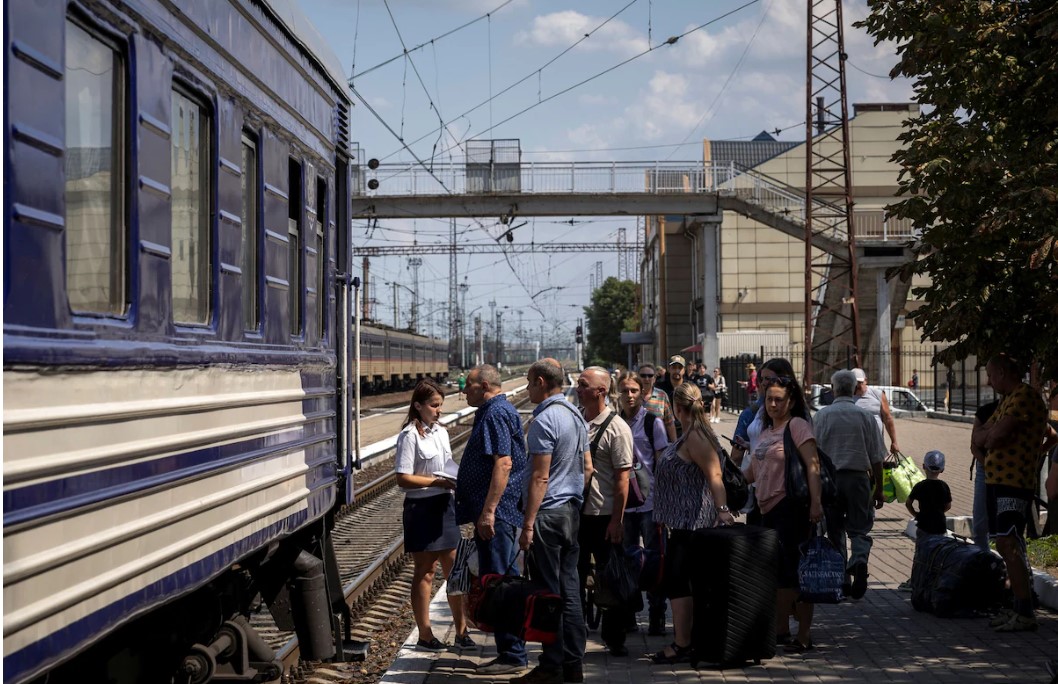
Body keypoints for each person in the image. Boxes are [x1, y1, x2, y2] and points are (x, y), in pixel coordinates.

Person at [648, 382, 736, 664]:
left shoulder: (696, 436)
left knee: (679, 582)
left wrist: (723, 510)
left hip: (694, 525)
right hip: (683, 524)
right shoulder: (690, 433)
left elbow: (715, 476)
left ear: (676, 407)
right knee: (680, 582)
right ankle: (688, 641)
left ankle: (684, 643)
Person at [516, 359, 590, 684]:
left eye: (530, 382)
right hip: (571, 512)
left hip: (547, 516)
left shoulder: (545, 421)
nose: (528, 388)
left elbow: (539, 478)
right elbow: (587, 467)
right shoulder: (576, 415)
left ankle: (551, 665)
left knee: (549, 594)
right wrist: (572, 498)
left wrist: (528, 524)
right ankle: (574, 665)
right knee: (570, 591)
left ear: (543, 382)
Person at [455, 365, 529, 674]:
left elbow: (504, 462)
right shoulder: (492, 410)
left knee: (500, 583)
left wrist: (489, 511)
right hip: (498, 514)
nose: (464, 391)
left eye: (468, 386)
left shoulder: (496, 413)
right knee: (496, 580)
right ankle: (509, 651)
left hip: (498, 516)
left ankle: (512, 655)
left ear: (484, 385)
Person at [746, 372, 823, 653]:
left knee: (796, 573)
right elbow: (752, 472)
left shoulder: (798, 426)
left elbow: (813, 466)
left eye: (779, 400)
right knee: (778, 573)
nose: (773, 405)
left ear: (791, 402)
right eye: (769, 400)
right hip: (767, 510)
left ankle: (803, 635)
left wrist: (816, 503)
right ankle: (779, 631)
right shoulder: (767, 432)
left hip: (792, 507)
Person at [971, 354, 1048, 632]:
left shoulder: (1024, 397)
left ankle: (1025, 612)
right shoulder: (1007, 399)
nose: (989, 381)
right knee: (1004, 543)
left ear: (1003, 372)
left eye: (991, 375)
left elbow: (994, 437)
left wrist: (990, 435)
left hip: (1014, 482)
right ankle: (1016, 606)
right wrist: (988, 434)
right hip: (997, 480)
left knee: (1009, 543)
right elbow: (979, 437)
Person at [394, 380, 471, 651]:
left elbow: (447, 465)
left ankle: (462, 631)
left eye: (441, 405)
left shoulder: (441, 431)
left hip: (445, 506)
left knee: (456, 571)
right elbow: (402, 478)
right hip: (421, 509)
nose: (439, 410)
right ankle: (425, 635)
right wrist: (435, 482)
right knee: (425, 573)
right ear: (418, 406)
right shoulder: (409, 436)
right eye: (434, 405)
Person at [575, 367, 635, 657]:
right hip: (577, 513)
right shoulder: (577, 418)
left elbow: (623, 479)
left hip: (604, 516)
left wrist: (617, 520)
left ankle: (615, 638)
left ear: (600, 391)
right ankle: (574, 634)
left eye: (583, 385)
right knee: (574, 574)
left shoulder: (617, 428)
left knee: (611, 578)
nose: (577, 388)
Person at [813, 369, 886, 600]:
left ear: (833, 389)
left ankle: (842, 580)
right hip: (858, 479)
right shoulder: (864, 416)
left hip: (830, 481)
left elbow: (812, 455)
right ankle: (860, 559)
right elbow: (877, 457)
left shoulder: (822, 416)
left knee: (835, 530)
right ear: (855, 388)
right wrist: (880, 489)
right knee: (860, 527)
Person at [616, 371, 670, 636]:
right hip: (624, 505)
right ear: (618, 392)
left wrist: (662, 502)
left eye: (634, 390)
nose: (629, 395)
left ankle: (657, 614)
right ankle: (627, 615)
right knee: (626, 561)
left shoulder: (653, 422)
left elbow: (662, 464)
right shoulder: (614, 422)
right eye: (625, 390)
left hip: (649, 505)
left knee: (655, 560)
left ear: (642, 392)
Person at [898, 451, 952, 592]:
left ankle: (915, 581)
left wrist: (916, 514)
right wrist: (939, 513)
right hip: (940, 525)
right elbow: (948, 506)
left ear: (923, 466)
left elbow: (909, 503)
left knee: (920, 553)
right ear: (942, 469)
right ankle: (934, 581)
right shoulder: (944, 486)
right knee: (937, 553)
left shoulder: (920, 486)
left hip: (923, 525)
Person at [970, 400, 1000, 549]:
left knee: (1006, 522)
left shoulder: (1020, 412)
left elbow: (1051, 435)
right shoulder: (986, 411)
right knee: (980, 520)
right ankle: (982, 558)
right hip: (985, 469)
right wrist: (989, 467)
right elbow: (974, 447)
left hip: (1010, 472)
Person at [852, 368, 901, 455]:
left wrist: (894, 442)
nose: (857, 386)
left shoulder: (877, 394)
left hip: (876, 445)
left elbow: (888, 419)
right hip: (855, 446)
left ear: (866, 380)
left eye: (860, 383)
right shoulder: (847, 397)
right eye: (854, 383)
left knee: (878, 467)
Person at [638, 363, 678, 443]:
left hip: (659, 445)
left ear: (655, 378)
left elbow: (669, 423)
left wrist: (675, 445)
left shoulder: (661, 395)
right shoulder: (632, 396)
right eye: (643, 375)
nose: (646, 379)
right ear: (638, 377)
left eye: (650, 376)